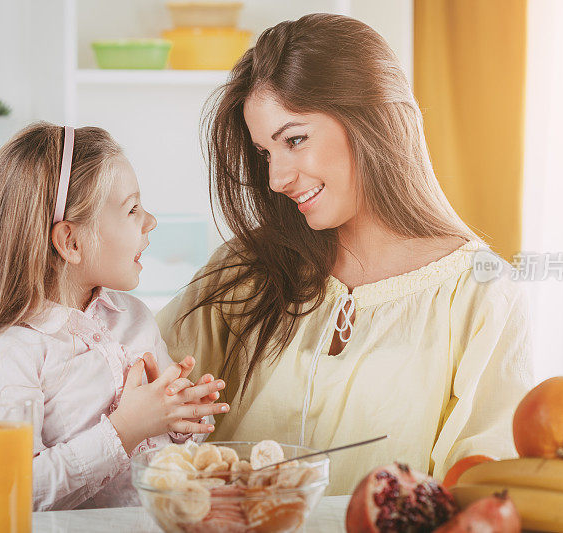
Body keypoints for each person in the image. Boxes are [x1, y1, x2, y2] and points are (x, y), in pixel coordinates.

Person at [156, 14, 533, 496]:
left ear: (370, 119)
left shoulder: (480, 294)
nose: (277, 178)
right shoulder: (243, 269)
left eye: (294, 140)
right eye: (266, 152)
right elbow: (140, 384)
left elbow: (480, 488)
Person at [0, 123, 230, 513]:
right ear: (71, 242)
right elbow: (12, 491)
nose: (150, 222)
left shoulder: (135, 318)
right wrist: (126, 429)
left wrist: (177, 421)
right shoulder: (15, 352)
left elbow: (164, 464)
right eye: (132, 209)